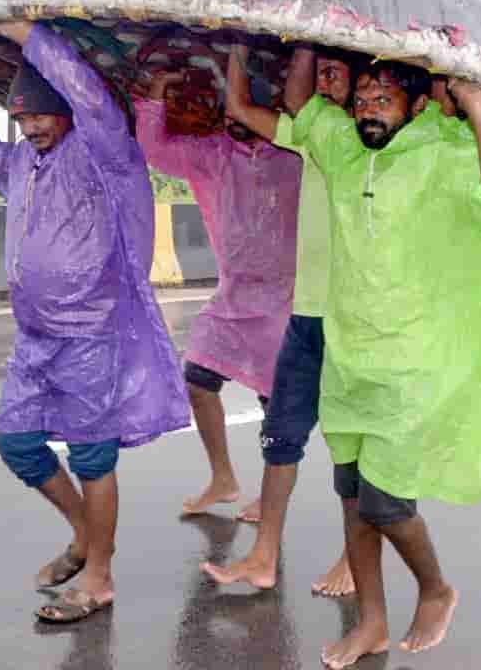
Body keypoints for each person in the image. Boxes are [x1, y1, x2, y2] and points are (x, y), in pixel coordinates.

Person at [219, 43, 481, 668]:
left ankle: (437, 588)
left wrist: (473, 104)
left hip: (413, 365)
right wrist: (302, 40)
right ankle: (372, 625)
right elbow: (302, 106)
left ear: (414, 105)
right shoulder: (339, 148)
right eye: (362, 99)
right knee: (354, 501)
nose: (367, 110)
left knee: (387, 503)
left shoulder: (442, 153)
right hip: (348, 360)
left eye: (383, 99)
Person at [0, 20, 190, 625]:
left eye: (40, 116)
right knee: (17, 443)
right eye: (21, 118)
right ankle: (86, 536)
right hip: (34, 340)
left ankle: (101, 578)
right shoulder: (20, 163)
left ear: (67, 113)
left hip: (91, 335)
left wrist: (32, 38)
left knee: (91, 459)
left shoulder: (100, 151)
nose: (30, 127)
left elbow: (89, 97)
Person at [201, 46, 360, 598]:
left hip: (358, 324)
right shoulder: (312, 133)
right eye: (323, 75)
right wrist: (247, 53)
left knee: (354, 452)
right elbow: (243, 108)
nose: (327, 82)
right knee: (281, 438)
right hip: (306, 317)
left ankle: (353, 557)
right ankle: (263, 557)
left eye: (340, 73)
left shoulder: (390, 147)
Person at [133, 68, 299, 524]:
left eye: (248, 107)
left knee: (276, 409)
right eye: (232, 109)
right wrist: (156, 94)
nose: (237, 118)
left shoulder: (298, 156)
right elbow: (155, 149)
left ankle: (271, 497)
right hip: (232, 298)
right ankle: (223, 478)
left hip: (285, 303)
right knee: (197, 380)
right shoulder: (214, 154)